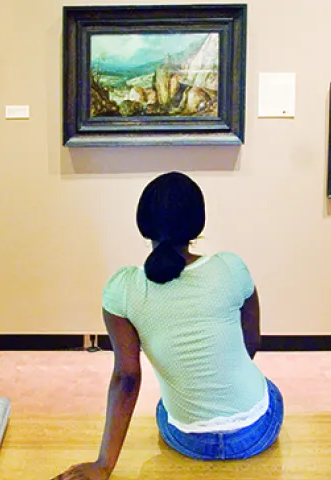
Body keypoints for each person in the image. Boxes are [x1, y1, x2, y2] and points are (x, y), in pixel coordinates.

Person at [53, 172, 282, 480]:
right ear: (198, 222)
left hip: (188, 439)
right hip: (257, 432)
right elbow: (251, 344)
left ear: (143, 223)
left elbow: (126, 378)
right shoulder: (231, 267)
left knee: (165, 404)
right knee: (268, 389)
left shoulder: (123, 289)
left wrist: (104, 464)